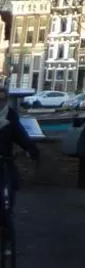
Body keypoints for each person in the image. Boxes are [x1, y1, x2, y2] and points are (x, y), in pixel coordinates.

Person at [0, 84, 41, 214]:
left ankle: (6, 221)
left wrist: (32, 150)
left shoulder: (10, 117)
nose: (0, 103)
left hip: (3, 162)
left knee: (7, 201)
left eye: (2, 99)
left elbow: (20, 135)